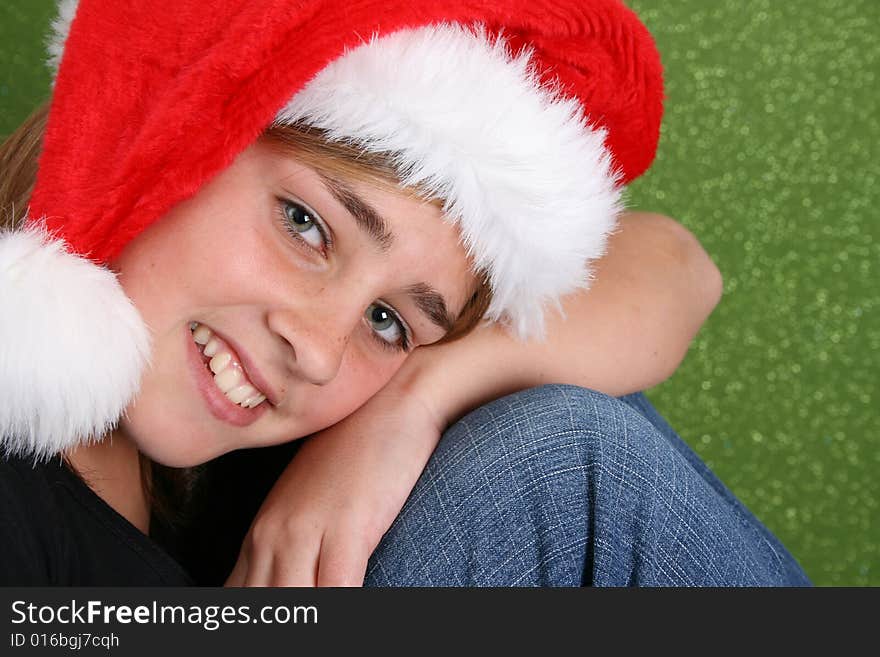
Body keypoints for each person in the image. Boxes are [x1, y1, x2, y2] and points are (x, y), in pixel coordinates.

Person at [0, 0, 809, 586]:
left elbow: (676, 265)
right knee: (562, 451)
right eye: (306, 225)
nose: (318, 350)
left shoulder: (269, 416)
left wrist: (420, 396)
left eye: (388, 320)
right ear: (168, 129)